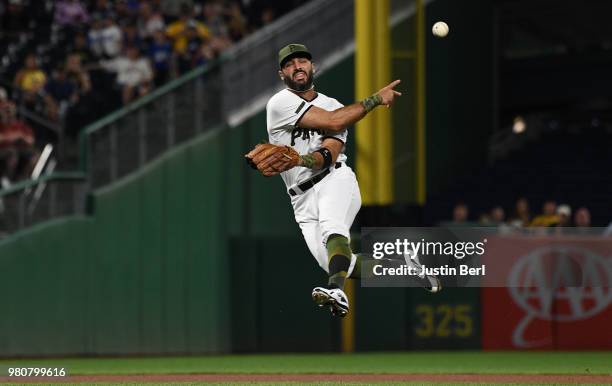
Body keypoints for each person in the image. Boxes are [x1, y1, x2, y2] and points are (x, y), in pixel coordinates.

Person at [246, 44, 439, 318]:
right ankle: (406, 270)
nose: (297, 66)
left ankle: (336, 291)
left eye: (303, 61)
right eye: (290, 64)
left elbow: (330, 146)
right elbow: (331, 122)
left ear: (313, 67)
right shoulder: (280, 103)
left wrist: (373, 100)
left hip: (333, 179)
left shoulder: (334, 107)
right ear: (282, 74)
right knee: (337, 263)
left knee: (332, 229)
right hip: (299, 198)